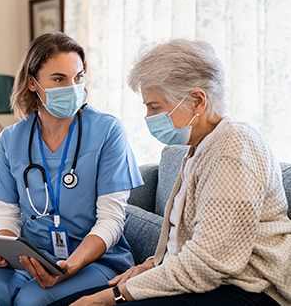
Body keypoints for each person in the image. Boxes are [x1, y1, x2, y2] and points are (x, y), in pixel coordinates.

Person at [59, 39, 291, 305]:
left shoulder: (232, 150)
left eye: (155, 107)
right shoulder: (200, 146)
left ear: (197, 100)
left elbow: (208, 264)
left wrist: (114, 295)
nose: (148, 116)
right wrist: (151, 265)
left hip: (249, 289)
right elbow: (190, 242)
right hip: (209, 281)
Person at [0, 32, 143, 305]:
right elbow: (6, 216)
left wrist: (68, 267)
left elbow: (111, 220)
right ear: (32, 83)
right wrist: (1, 249)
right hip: (31, 257)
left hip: (93, 262)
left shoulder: (107, 131)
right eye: (60, 79)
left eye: (78, 77)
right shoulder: (11, 140)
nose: (73, 87)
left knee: (32, 300)